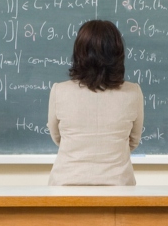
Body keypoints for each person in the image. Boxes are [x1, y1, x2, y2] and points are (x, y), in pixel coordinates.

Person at [47, 19, 144, 185]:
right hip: (118, 187)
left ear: (79, 54)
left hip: (66, 187)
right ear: (117, 54)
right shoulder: (132, 92)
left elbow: (58, 137)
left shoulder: (59, 91)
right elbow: (133, 141)